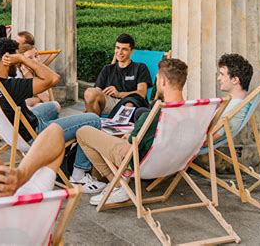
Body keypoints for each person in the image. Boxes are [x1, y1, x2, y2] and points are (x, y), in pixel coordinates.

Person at [0, 38, 105, 192]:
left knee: (54, 106)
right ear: (8, 59)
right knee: (93, 120)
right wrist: (23, 58)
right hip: (33, 133)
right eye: (16, 58)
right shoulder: (11, 87)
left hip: (14, 129)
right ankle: (79, 177)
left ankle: (55, 157)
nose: (18, 64)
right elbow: (54, 78)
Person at [77, 58, 188, 205]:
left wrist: (129, 137)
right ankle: (118, 182)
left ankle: (118, 185)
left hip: (137, 161)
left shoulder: (154, 115)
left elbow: (129, 149)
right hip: (172, 163)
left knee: (83, 132)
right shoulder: (193, 112)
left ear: (162, 82)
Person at [84, 34, 152, 117]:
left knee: (129, 105)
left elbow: (141, 93)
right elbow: (97, 90)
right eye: (117, 48)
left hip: (131, 103)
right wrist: (90, 103)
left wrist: (119, 94)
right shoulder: (107, 69)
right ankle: (93, 124)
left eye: (124, 49)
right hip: (110, 103)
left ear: (131, 51)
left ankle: (119, 127)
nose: (119, 52)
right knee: (90, 92)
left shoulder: (140, 67)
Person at [212, 53, 254, 140]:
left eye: (222, 74)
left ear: (235, 80)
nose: (218, 78)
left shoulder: (232, 108)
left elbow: (209, 139)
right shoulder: (241, 105)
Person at [18, 43, 58, 109]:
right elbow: (21, 104)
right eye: (30, 58)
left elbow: (47, 100)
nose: (35, 60)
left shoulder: (39, 73)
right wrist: (29, 77)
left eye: (36, 56)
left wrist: (30, 77)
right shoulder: (18, 76)